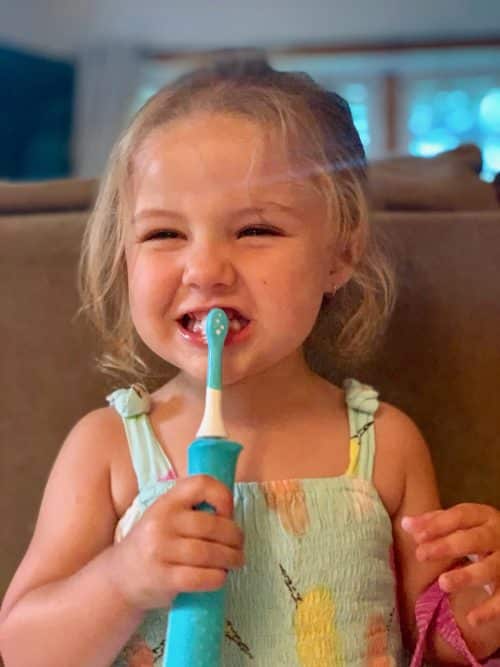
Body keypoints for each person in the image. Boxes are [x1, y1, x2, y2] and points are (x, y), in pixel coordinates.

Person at [0, 61, 499, 666]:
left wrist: (480, 607)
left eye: (256, 229)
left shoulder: (384, 444)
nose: (206, 269)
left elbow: (437, 646)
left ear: (340, 254)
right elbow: (22, 648)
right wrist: (123, 579)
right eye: (163, 234)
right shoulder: (108, 448)